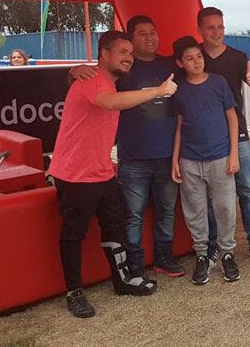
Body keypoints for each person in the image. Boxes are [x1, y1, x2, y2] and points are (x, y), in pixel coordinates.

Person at [49, 31, 177, 318]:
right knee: (73, 234)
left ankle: (122, 280)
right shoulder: (92, 80)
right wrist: (157, 91)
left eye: (130, 53)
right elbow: (108, 102)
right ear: (103, 54)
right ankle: (74, 292)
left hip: (102, 171)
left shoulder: (110, 79)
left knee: (115, 226)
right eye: (122, 52)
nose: (128, 57)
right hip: (74, 174)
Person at [69, 16, 185, 281]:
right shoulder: (122, 71)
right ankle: (134, 264)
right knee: (133, 215)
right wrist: (73, 70)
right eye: (142, 34)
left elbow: (198, 66)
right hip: (133, 156)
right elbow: (94, 82)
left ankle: (164, 258)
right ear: (131, 40)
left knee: (166, 210)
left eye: (153, 32)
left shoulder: (170, 65)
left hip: (167, 154)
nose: (149, 38)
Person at [197, 7, 250, 265]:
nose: (217, 32)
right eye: (211, 27)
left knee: (246, 190)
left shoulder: (238, 56)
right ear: (200, 29)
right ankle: (212, 247)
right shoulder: (193, 55)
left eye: (220, 27)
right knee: (209, 195)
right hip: (205, 137)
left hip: (239, 134)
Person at [171, 37, 240, 284]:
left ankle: (228, 252)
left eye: (199, 56)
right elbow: (179, 125)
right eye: (190, 58)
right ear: (180, 63)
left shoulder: (219, 83)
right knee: (194, 209)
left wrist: (234, 153)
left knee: (225, 207)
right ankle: (202, 254)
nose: (196, 61)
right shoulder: (179, 89)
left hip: (220, 157)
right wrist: (175, 159)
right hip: (189, 160)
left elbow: (232, 118)